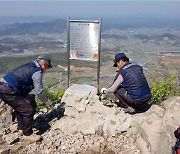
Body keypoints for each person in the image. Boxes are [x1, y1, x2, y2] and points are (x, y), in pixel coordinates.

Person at [0, 55, 53, 142]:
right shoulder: (37, 72)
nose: (46, 70)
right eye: (47, 67)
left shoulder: (31, 65)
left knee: (20, 108)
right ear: (44, 65)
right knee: (28, 110)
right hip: (9, 89)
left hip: (4, 86)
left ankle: (21, 129)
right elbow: (39, 91)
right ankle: (27, 134)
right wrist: (47, 102)